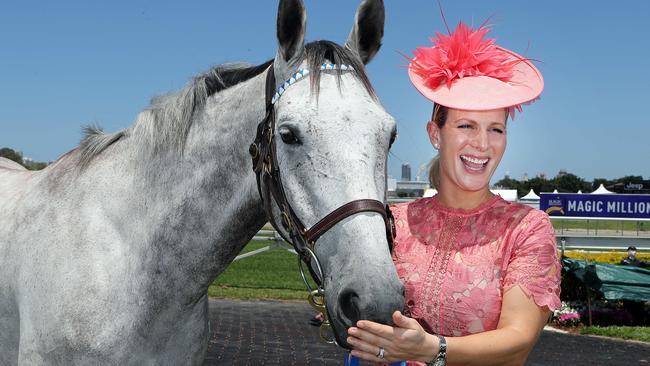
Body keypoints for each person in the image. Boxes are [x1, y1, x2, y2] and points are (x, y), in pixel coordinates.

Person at [346, 17, 561, 366]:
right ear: (435, 133)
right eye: (466, 126)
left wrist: (431, 349)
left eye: (496, 129)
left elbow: (518, 341)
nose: (482, 144)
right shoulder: (394, 221)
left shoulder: (527, 230)